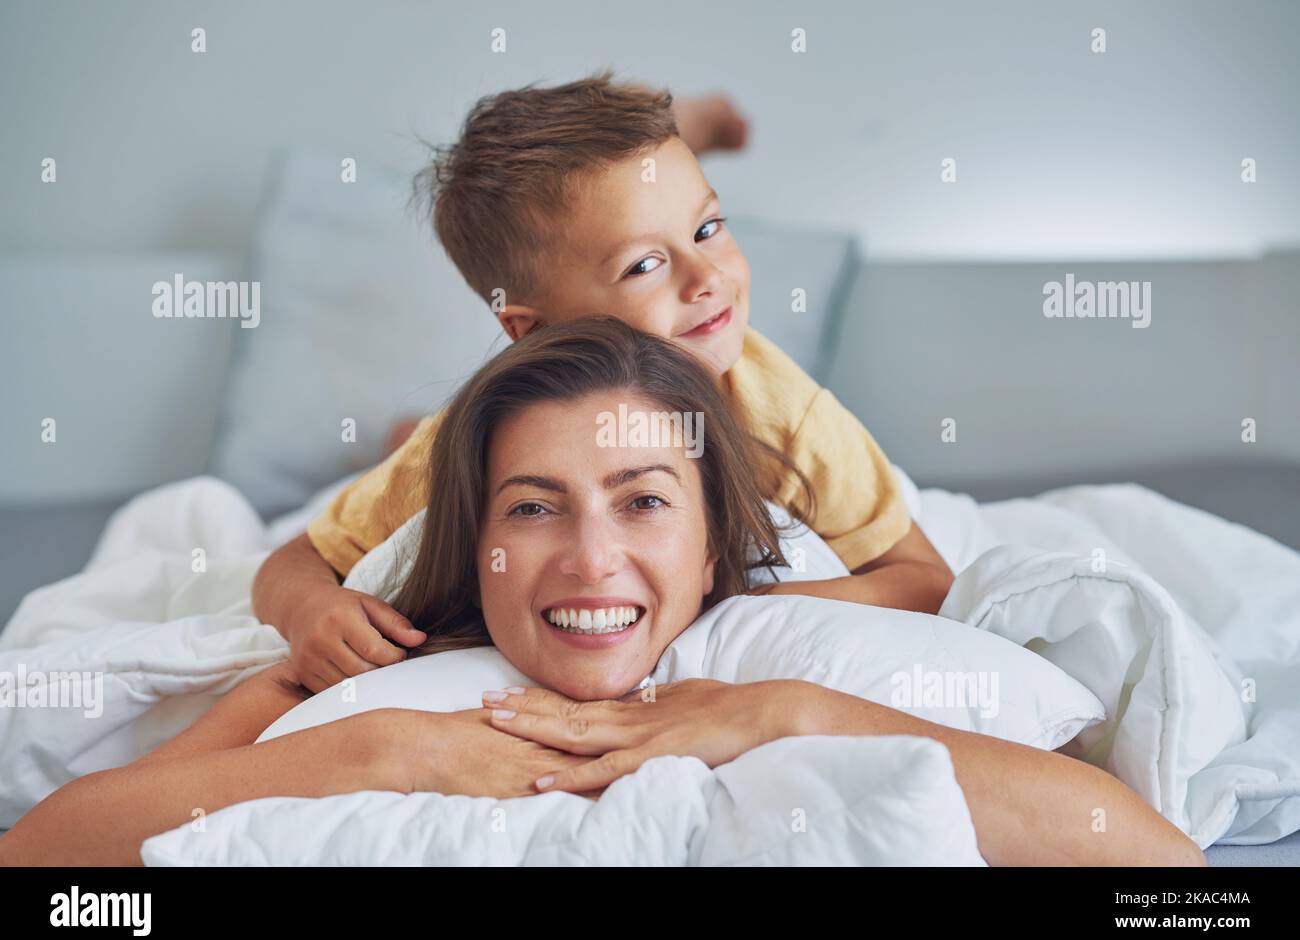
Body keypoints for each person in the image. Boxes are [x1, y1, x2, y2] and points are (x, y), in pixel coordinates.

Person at [0, 320, 1204, 866]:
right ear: (475, 540)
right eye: (532, 505)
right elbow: (47, 866)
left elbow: (1167, 877)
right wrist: (379, 752)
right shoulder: (374, 668)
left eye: (640, 500)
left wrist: (783, 713)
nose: (588, 559)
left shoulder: (792, 650)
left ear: (713, 529)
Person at [253, 72, 955, 695]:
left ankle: (693, 124)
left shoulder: (784, 415)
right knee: (410, 449)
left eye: (710, 228)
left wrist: (739, 611)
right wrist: (308, 609)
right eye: (643, 266)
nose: (708, 279)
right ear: (532, 331)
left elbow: (924, 578)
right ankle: (397, 437)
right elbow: (299, 560)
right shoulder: (488, 434)